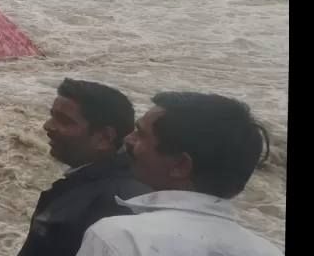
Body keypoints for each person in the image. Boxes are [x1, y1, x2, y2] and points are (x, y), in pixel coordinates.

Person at [76, 92, 282, 256]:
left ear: (179, 164)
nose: (129, 139)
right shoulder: (268, 251)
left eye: (141, 134)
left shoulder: (119, 238)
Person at [17, 79, 150, 256]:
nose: (47, 125)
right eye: (52, 116)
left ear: (104, 138)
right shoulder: (92, 181)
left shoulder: (116, 206)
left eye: (64, 121)